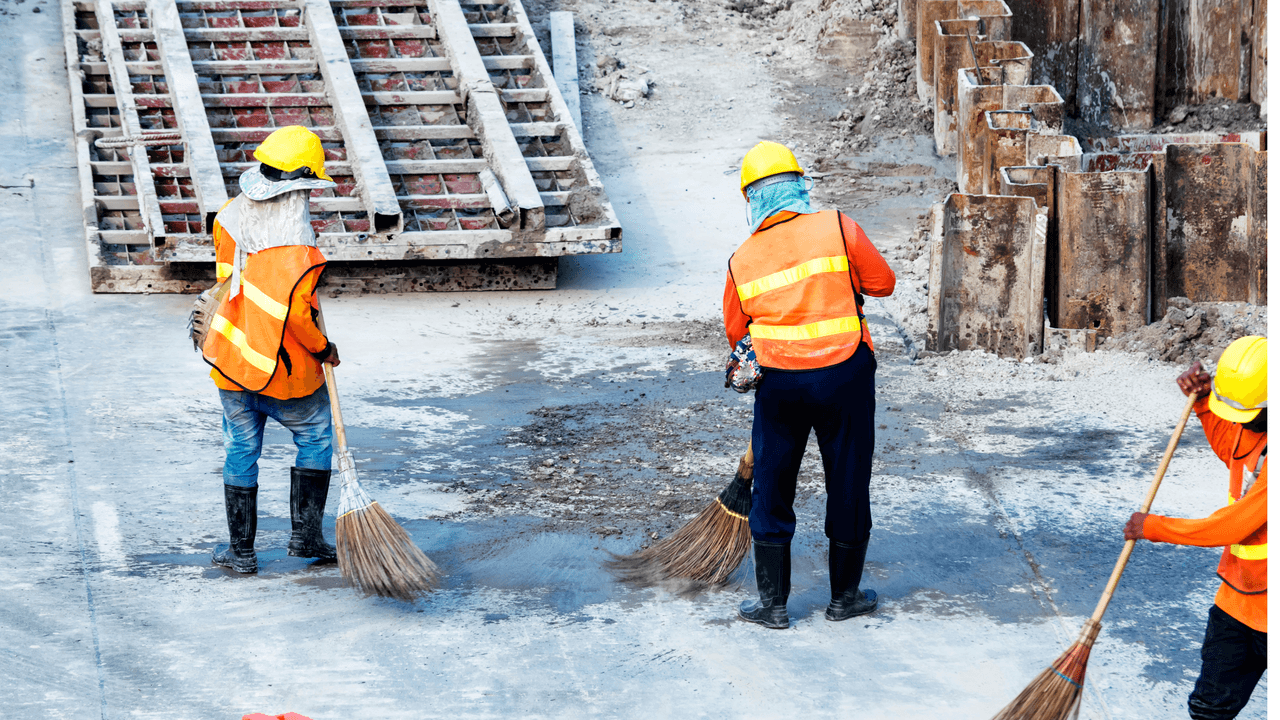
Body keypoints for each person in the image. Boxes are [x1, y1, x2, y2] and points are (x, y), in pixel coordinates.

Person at [723, 141, 896, 629]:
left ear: (750, 198)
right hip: (846, 375)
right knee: (847, 479)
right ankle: (845, 599)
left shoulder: (742, 259)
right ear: (800, 184)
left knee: (773, 486)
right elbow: (883, 284)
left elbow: (739, 334)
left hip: (779, 386)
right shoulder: (837, 226)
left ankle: (773, 606)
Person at [201, 126, 343, 574]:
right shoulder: (299, 253)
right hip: (288, 372)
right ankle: (306, 537)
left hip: (234, 361)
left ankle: (240, 553)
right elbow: (300, 321)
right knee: (316, 437)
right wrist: (325, 348)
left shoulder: (226, 217)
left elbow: (230, 282)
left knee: (241, 449)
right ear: (299, 189)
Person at [1125, 335, 1267, 719]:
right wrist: (1205, 404)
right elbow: (1234, 450)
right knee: (1208, 709)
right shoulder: (1260, 423)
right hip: (1239, 599)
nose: (1242, 423)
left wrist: (1154, 527)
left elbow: (1232, 526)